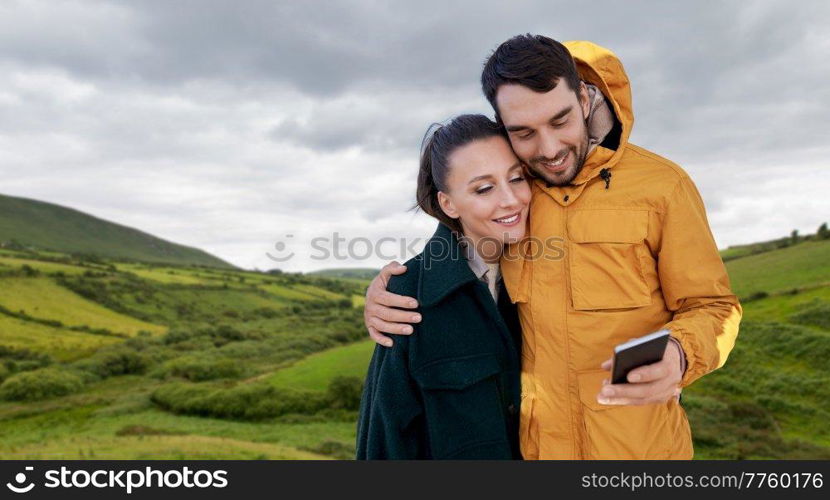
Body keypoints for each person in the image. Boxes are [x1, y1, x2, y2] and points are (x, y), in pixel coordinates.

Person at [362, 36, 742, 459]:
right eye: (524, 132)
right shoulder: (517, 189)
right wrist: (395, 290)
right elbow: (465, 240)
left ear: (583, 97)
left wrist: (681, 352)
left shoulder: (664, 186)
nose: (549, 149)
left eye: (560, 121)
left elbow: (713, 305)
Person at [356, 114, 529, 459]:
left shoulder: (552, 273)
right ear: (448, 203)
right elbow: (385, 441)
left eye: (517, 178)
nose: (511, 199)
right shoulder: (406, 298)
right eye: (484, 188)